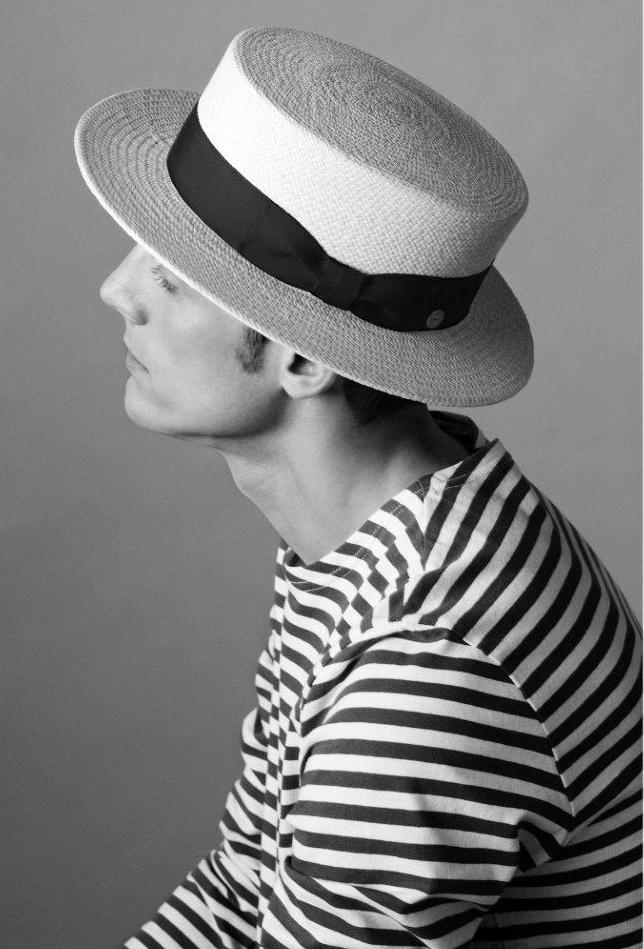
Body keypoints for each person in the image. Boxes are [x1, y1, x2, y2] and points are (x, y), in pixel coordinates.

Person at [74, 26, 642, 949]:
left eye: (170, 279)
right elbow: (244, 888)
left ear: (302, 359)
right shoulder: (378, 540)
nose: (114, 290)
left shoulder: (430, 654)